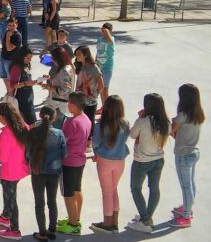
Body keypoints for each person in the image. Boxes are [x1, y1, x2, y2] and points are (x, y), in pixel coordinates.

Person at [127, 93, 170, 234]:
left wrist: (139, 118)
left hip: (141, 161)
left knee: (136, 188)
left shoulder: (143, 121)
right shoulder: (166, 123)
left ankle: (145, 220)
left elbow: (132, 134)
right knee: (154, 188)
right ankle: (148, 216)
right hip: (158, 160)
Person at [26, 105, 67, 241]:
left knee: (39, 203)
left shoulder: (33, 132)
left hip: (38, 172)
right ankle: (52, 229)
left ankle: (42, 232)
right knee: (52, 201)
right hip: (54, 172)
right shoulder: (59, 133)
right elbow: (64, 154)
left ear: (40, 116)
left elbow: (27, 154)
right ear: (54, 119)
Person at [90, 95, 130, 234]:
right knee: (114, 190)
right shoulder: (125, 124)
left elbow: (95, 143)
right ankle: (114, 222)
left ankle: (107, 223)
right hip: (120, 160)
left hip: (104, 160)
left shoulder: (100, 125)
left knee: (106, 192)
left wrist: (97, 152)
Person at [0, 102, 30, 240]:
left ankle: (15, 229)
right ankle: (5, 216)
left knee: (11, 199)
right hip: (21, 167)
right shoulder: (23, 126)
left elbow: (3, 157)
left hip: (9, 171)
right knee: (10, 195)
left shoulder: (6, 134)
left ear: (2, 117)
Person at [169, 84, 204, 228]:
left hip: (183, 154)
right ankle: (188, 208)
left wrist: (172, 123)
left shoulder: (183, 115)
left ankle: (186, 216)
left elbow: (172, 131)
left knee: (185, 186)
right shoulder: (198, 113)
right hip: (194, 152)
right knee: (191, 183)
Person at [58, 92, 92, 235]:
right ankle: (75, 218)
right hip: (80, 161)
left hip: (69, 162)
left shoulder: (71, 123)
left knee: (68, 194)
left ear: (72, 104)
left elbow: (62, 140)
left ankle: (72, 225)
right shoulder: (87, 120)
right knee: (77, 190)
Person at [74, 45, 104, 145]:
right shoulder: (79, 66)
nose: (77, 56)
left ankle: (89, 141)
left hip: (90, 100)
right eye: (76, 54)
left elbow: (101, 85)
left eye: (79, 54)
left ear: (86, 55)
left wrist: (95, 96)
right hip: (79, 98)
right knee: (80, 119)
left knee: (89, 120)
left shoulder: (94, 67)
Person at [9, 45, 37, 125]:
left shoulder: (26, 65)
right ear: (22, 57)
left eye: (31, 58)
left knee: (31, 122)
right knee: (28, 122)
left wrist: (37, 81)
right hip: (21, 99)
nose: (30, 60)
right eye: (28, 58)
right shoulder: (16, 67)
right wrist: (26, 83)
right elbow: (13, 85)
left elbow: (27, 80)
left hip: (28, 98)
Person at [95, 23, 115, 112]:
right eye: (102, 30)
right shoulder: (99, 40)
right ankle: (103, 107)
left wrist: (107, 33)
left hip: (107, 67)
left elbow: (110, 40)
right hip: (99, 67)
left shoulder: (111, 39)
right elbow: (98, 52)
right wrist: (95, 63)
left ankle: (107, 109)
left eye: (105, 30)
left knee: (105, 89)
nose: (102, 32)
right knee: (100, 88)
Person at [0, 18, 22, 94]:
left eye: (13, 25)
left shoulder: (17, 36)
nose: (11, 27)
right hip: (3, 58)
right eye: (9, 25)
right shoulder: (7, 32)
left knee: (11, 79)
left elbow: (9, 48)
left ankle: (12, 94)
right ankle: (9, 92)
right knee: (3, 76)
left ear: (17, 25)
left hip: (11, 60)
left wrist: (8, 37)